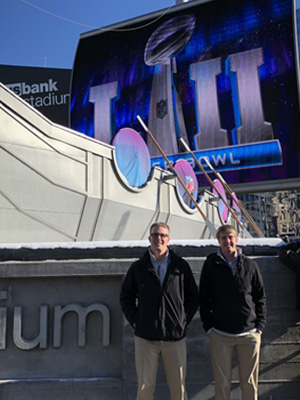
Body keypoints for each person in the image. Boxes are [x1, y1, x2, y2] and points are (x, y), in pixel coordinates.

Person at [120, 222, 198, 400]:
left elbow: (193, 297)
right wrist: (136, 321)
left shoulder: (181, 266)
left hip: (175, 338)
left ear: (168, 239)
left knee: (178, 389)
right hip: (146, 338)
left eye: (163, 235)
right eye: (155, 235)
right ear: (149, 238)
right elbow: (126, 297)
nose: (159, 239)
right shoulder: (138, 267)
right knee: (145, 388)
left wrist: (182, 321)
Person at [199, 224, 266, 400]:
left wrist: (259, 327)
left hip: (249, 334)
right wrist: (209, 327)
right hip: (220, 334)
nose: (227, 241)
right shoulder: (211, 265)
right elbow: (204, 297)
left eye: (230, 237)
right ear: (218, 241)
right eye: (223, 238)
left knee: (249, 382)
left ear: (236, 240)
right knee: (222, 383)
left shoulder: (250, 265)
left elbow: (260, 297)